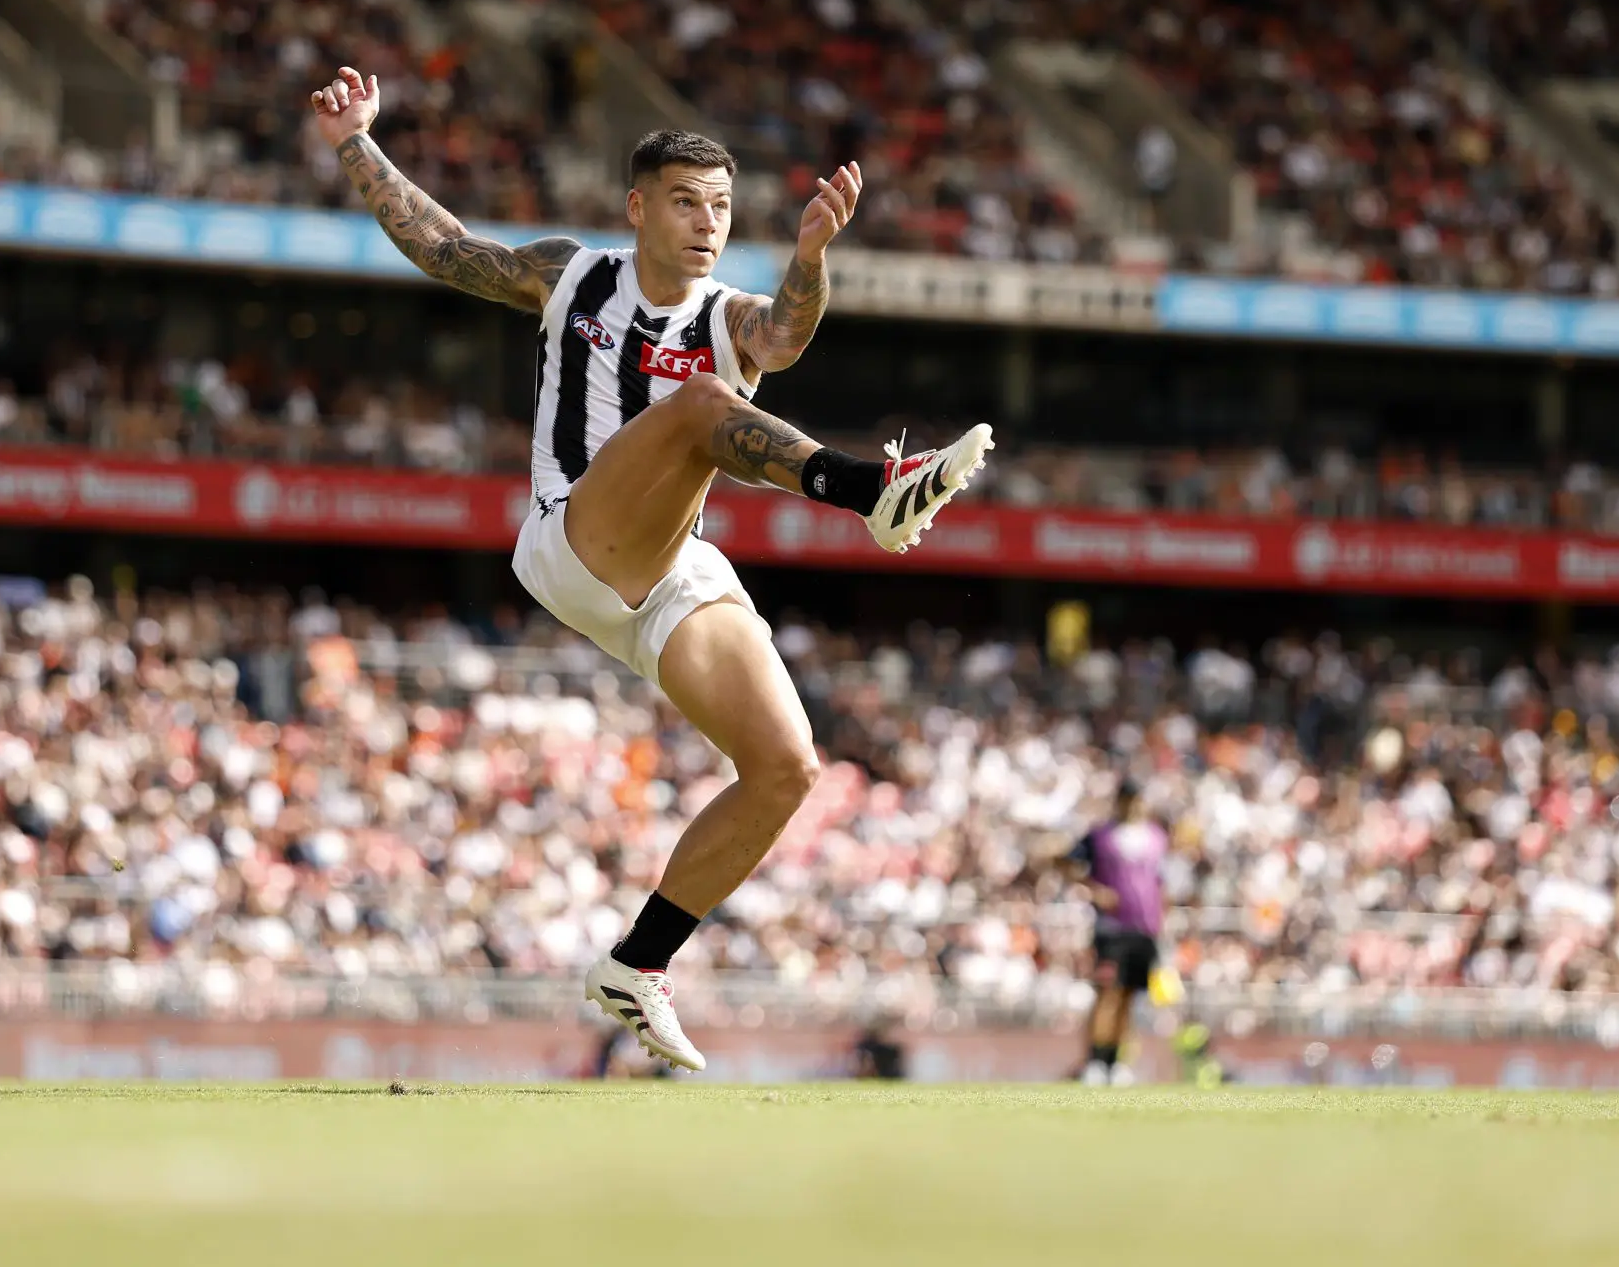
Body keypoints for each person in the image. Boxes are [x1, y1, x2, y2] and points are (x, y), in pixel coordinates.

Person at [310, 66, 993, 1069]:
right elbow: (447, 250)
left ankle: (637, 964)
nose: (705, 222)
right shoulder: (573, 274)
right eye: (684, 202)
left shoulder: (731, 316)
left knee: (784, 768)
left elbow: (788, 338)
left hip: (671, 566)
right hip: (571, 541)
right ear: (638, 208)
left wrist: (811, 255)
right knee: (696, 406)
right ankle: (872, 492)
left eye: (719, 206)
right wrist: (356, 142)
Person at [1068, 778, 1168, 1086]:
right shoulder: (1101, 836)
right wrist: (1095, 891)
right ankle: (1096, 1060)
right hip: (1112, 929)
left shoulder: (1156, 837)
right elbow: (1068, 864)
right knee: (1107, 994)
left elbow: (1162, 882)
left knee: (1129, 997)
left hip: (1145, 928)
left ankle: (1117, 1061)